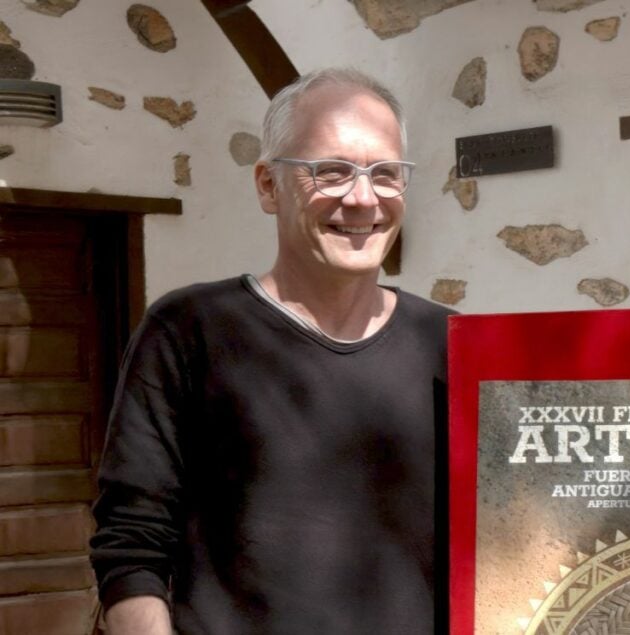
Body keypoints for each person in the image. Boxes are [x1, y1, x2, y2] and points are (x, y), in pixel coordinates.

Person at [90, 68, 451, 634]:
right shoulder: (189, 331)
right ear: (268, 185)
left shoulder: (450, 343)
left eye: (385, 173)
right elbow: (131, 541)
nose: (363, 198)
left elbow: (509, 532)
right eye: (331, 171)